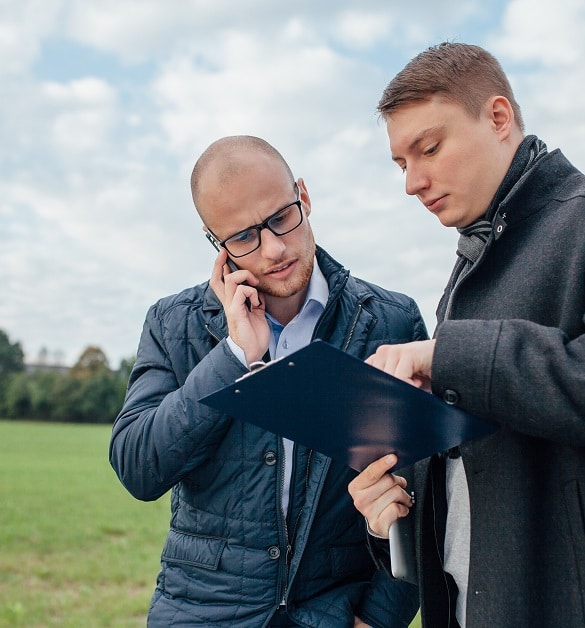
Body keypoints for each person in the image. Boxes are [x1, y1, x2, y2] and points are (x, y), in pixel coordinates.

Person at [348, 43, 585, 627]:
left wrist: (450, 355)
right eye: (401, 164)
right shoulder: (460, 284)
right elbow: (488, 479)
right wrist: (395, 513)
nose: (413, 183)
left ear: (498, 118)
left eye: (429, 147)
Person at [110, 135, 426, 627]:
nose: (274, 249)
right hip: (201, 613)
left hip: (335, 612)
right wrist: (235, 355)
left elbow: (422, 491)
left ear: (303, 194)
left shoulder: (390, 321)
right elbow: (138, 468)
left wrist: (380, 619)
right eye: (243, 238)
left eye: (282, 217)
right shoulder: (175, 323)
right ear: (216, 244)